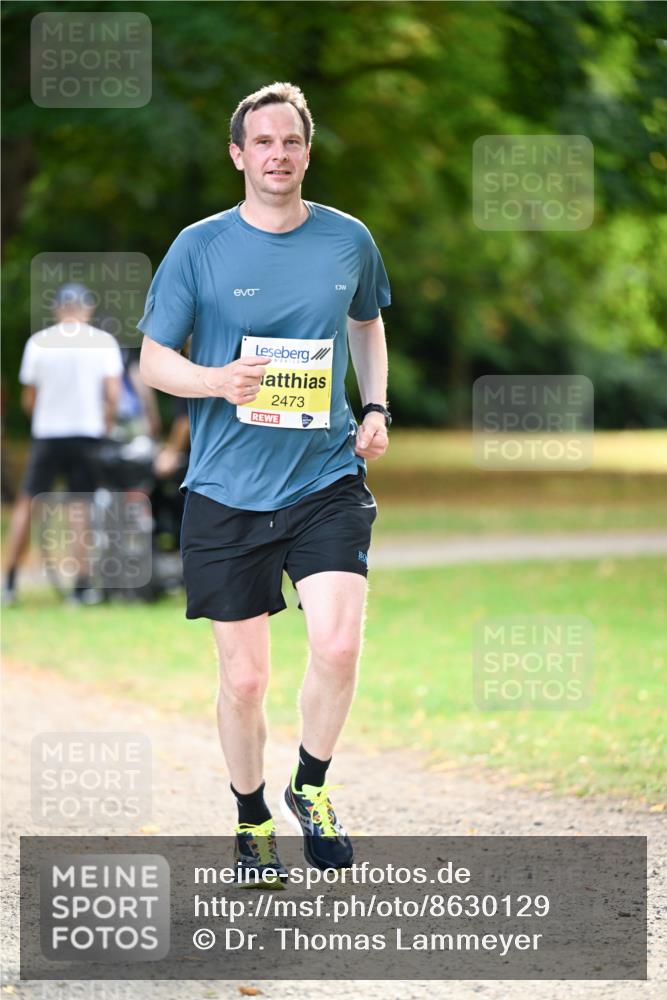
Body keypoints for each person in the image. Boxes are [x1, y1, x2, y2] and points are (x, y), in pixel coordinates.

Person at [139, 82, 391, 886]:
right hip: (224, 487)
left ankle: (308, 787)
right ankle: (250, 820)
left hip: (323, 476)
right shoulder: (199, 246)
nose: (278, 155)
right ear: (238, 155)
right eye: (264, 143)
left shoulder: (348, 240)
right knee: (244, 679)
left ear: (306, 152)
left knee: (338, 643)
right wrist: (217, 382)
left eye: (291, 142)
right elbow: (152, 360)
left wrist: (376, 402)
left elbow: (366, 320)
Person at [3, 284, 123, 605]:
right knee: (80, 509)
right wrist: (105, 426)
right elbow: (112, 396)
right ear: (87, 309)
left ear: (58, 309)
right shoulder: (104, 343)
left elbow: (29, 397)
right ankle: (80, 588)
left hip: (48, 434)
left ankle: (9, 582)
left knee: (27, 504)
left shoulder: (38, 343)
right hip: (87, 434)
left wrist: (42, 418)